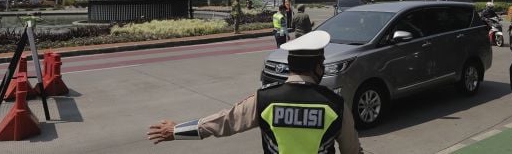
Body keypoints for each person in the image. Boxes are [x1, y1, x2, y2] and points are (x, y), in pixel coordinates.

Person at [147, 31, 364, 154]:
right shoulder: (335, 105)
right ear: (318, 66)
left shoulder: (265, 99)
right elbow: (352, 151)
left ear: (290, 66)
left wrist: (177, 130)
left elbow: (223, 123)